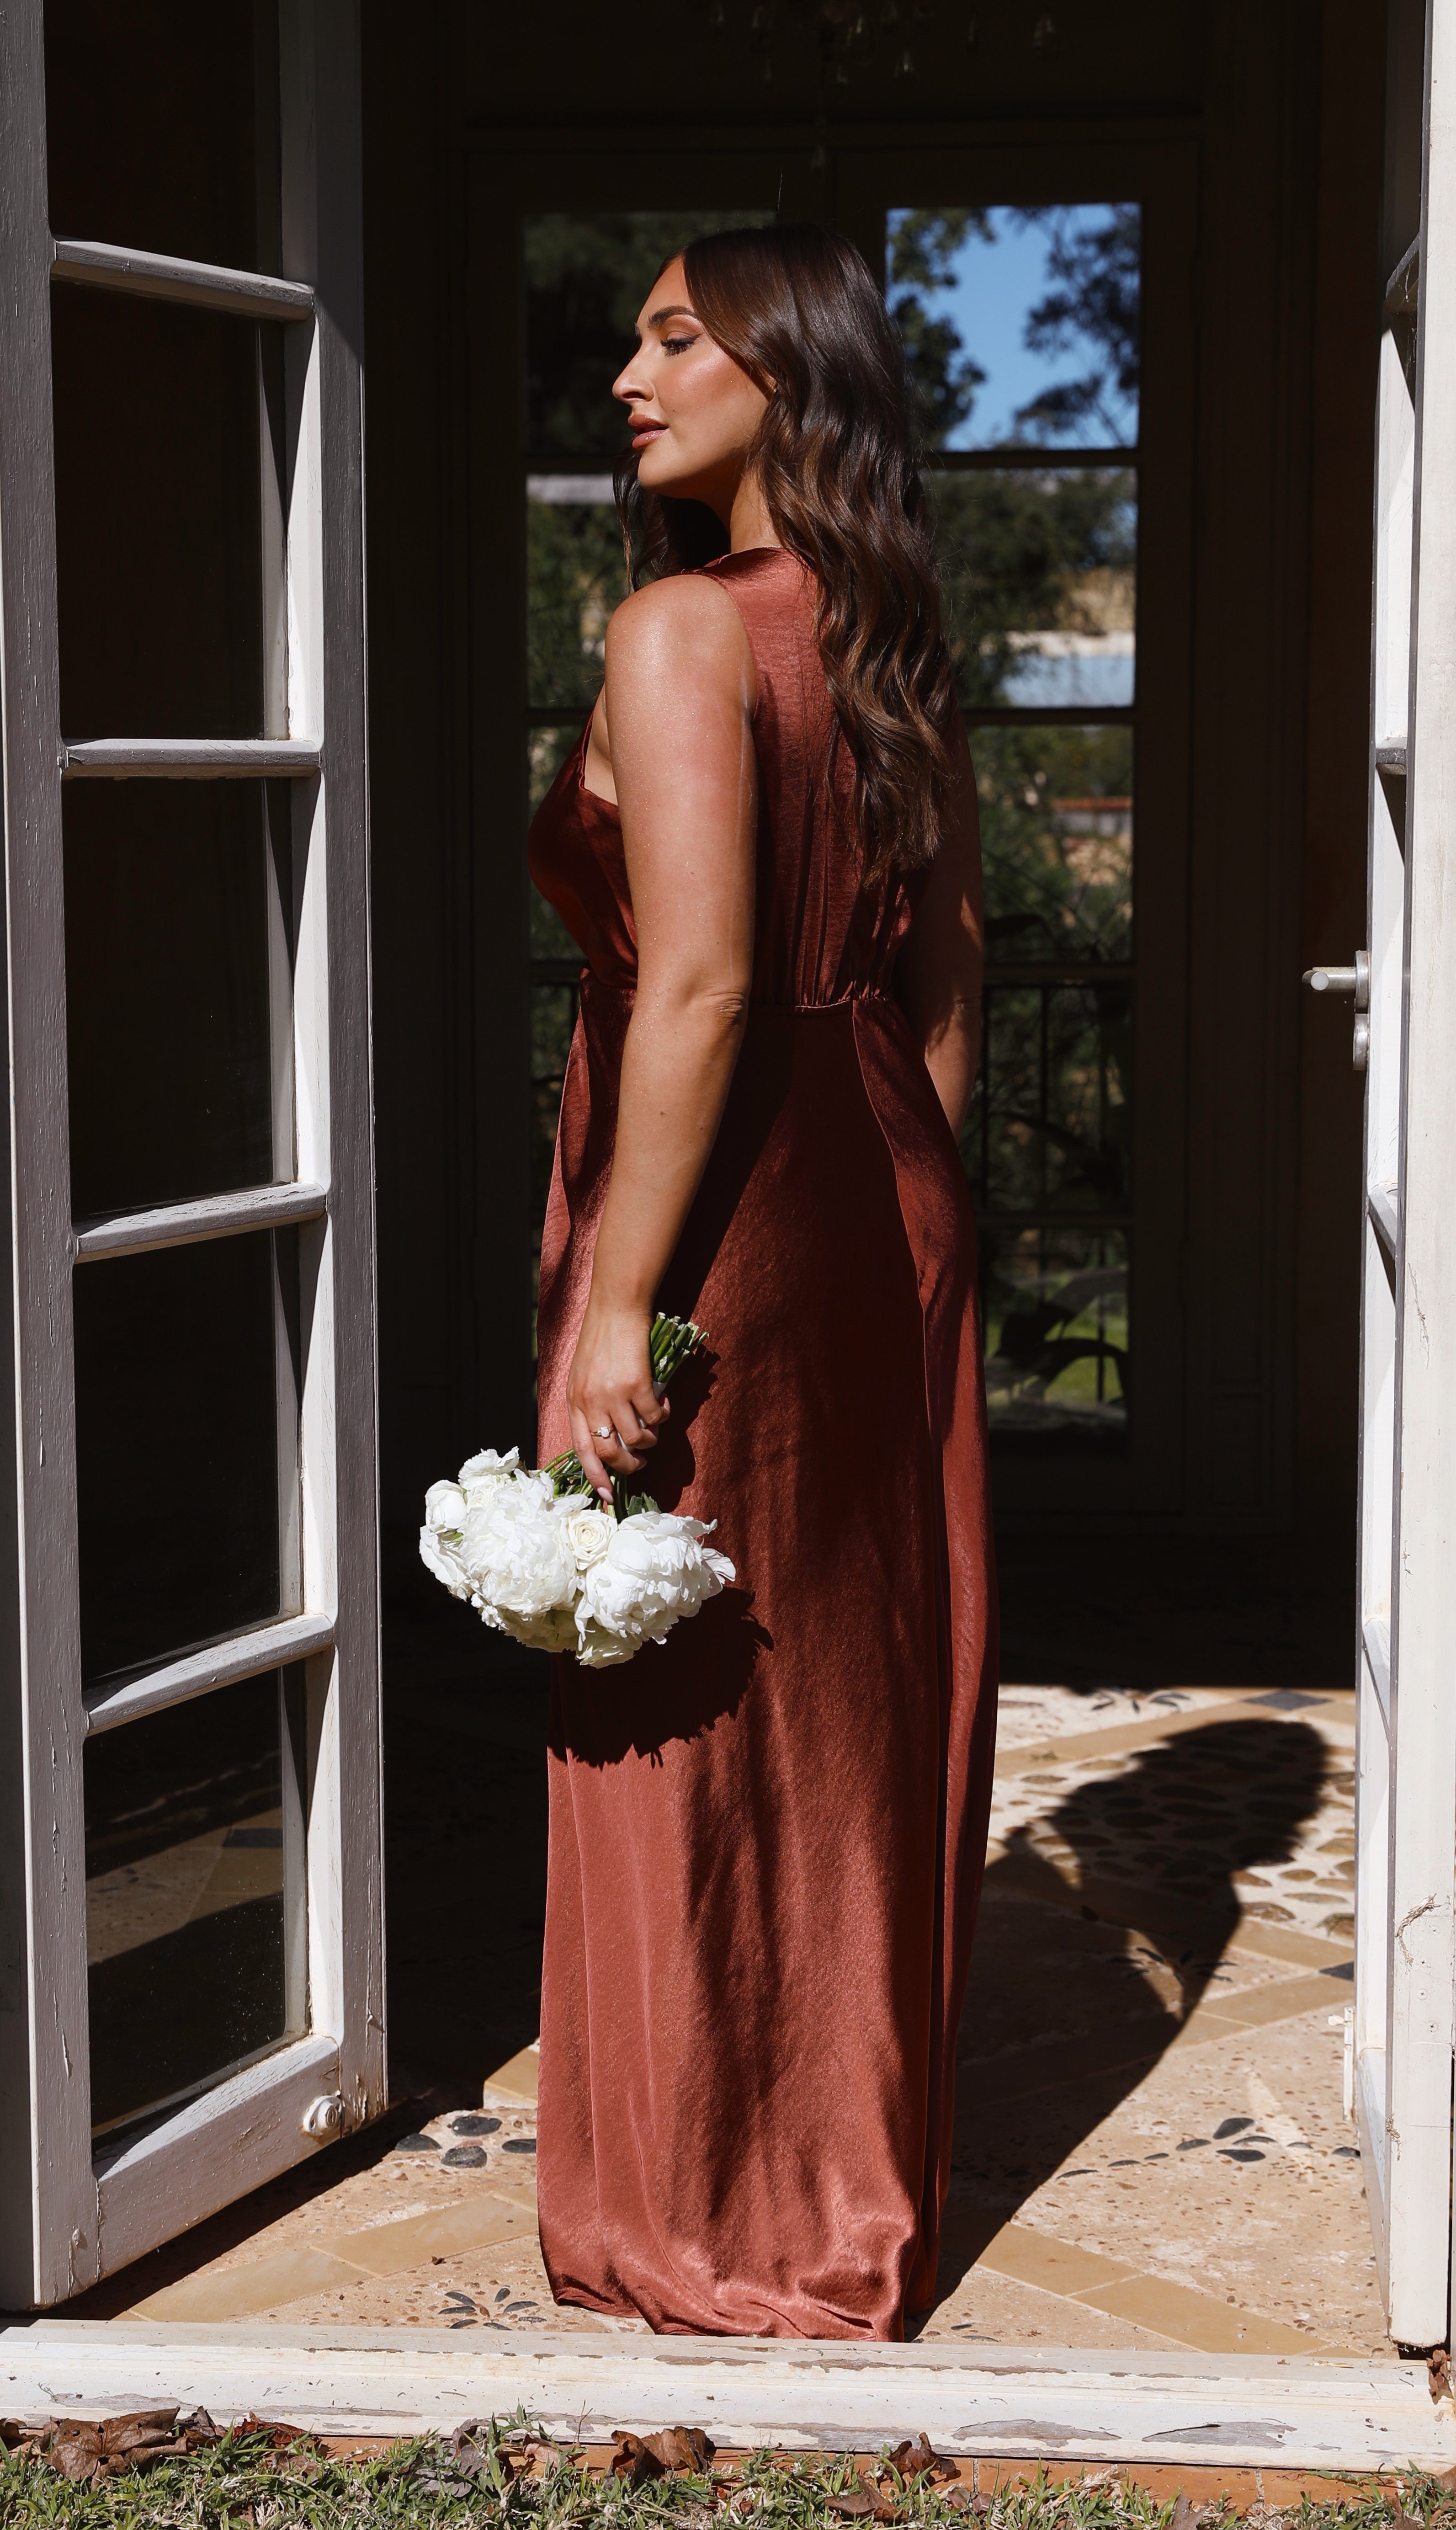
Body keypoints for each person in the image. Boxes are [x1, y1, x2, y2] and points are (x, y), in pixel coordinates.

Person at [527, 223, 997, 2341]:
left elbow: (701, 985)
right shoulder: (886, 639)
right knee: (846, 1692)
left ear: (783, 378)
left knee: (683, 1686)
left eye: (672, 340)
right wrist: (914, 1197)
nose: (629, 378)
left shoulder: (679, 632)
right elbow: (945, 974)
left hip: (714, 1196)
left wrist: (615, 1297)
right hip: (870, 1186)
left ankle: (711, 2207)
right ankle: (841, 2173)